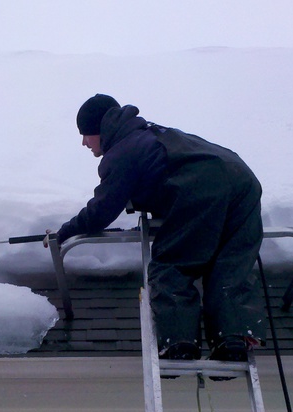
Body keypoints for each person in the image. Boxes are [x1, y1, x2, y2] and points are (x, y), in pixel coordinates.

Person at [56, 94, 265, 362]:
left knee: (171, 266)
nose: (84, 142)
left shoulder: (123, 151)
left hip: (203, 188)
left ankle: (179, 342)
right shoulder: (155, 135)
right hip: (243, 181)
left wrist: (64, 232)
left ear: (100, 130)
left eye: (86, 134)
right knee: (230, 265)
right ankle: (233, 336)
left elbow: (102, 210)